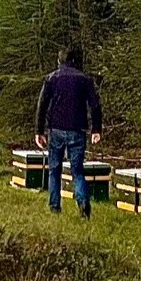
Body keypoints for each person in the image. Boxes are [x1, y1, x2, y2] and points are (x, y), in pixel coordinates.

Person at [33, 46, 103, 217]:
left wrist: (39, 131)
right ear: (74, 61)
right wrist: (96, 129)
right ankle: (83, 201)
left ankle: (55, 206)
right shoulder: (84, 80)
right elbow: (95, 105)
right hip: (78, 130)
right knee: (77, 170)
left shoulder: (51, 78)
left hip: (55, 129)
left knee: (54, 169)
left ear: (59, 62)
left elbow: (41, 105)